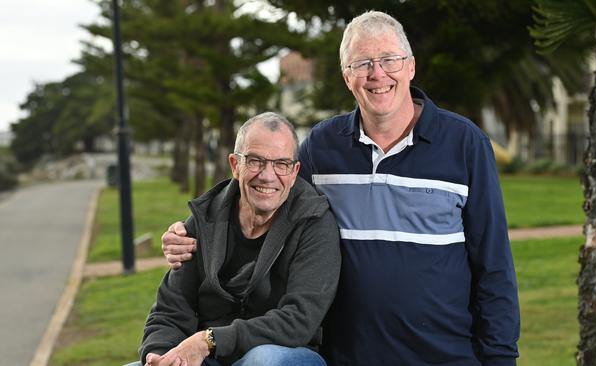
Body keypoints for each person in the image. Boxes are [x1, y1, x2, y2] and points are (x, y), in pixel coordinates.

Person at [163, 11, 519, 366]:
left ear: (410, 66)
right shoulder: (322, 147)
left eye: (389, 60)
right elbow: (263, 191)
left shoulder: (464, 144)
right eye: (362, 63)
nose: (377, 74)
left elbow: (494, 265)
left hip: (445, 358)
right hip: (347, 358)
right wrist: (190, 232)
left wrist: (500, 359)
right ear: (347, 77)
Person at [131, 112, 341, 366]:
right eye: (255, 161)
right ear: (234, 165)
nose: (267, 175)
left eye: (281, 164)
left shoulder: (314, 222)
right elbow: (170, 310)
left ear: (295, 171)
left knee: (264, 360)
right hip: (211, 357)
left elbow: (298, 321)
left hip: (286, 355)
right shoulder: (203, 219)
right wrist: (159, 354)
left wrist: (209, 340)